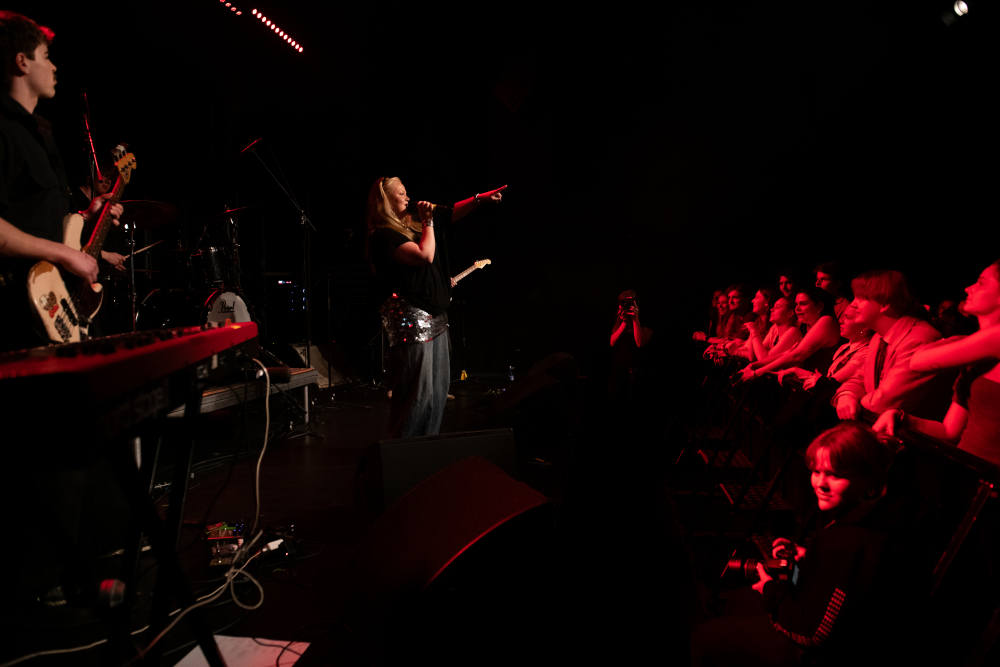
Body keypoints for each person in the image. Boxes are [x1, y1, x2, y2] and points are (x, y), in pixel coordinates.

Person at [0, 12, 123, 352]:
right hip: (14, 313)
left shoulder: (41, 132)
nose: (54, 67)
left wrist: (86, 215)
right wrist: (65, 255)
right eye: (46, 56)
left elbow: (36, 216)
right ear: (22, 62)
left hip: (52, 304)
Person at [366, 176, 505, 438]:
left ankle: (427, 446)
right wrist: (427, 221)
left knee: (438, 391)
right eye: (401, 194)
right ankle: (403, 450)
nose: (408, 197)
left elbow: (450, 213)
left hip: (437, 318)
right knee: (417, 393)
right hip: (413, 319)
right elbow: (425, 255)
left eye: (407, 192)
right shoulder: (382, 235)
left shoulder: (414, 226)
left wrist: (479, 199)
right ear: (385, 201)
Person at [874, 260, 1000, 465]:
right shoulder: (975, 359)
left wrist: (957, 339)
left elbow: (918, 361)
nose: (968, 288)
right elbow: (950, 431)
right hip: (964, 471)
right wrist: (900, 416)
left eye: (981, 282)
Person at [833, 270, 952, 421]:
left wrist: (857, 401)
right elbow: (860, 377)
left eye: (860, 298)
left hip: (909, 433)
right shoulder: (879, 337)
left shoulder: (920, 339)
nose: (853, 304)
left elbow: (884, 403)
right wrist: (847, 395)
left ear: (885, 304)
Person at [736, 286, 840, 383]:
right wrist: (753, 366)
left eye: (803, 304)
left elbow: (796, 356)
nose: (797, 308)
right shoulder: (807, 327)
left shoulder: (827, 321)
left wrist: (756, 373)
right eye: (796, 304)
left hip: (823, 386)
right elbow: (786, 354)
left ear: (820, 306)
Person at [775, 303, 873, 391]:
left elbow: (830, 382)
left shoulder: (864, 353)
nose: (841, 321)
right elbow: (823, 380)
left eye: (848, 317)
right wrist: (794, 370)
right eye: (843, 316)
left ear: (864, 327)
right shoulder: (845, 347)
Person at [608, 289, 653, 401]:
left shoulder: (645, 318)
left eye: (628, 302)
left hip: (637, 372)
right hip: (619, 371)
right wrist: (624, 322)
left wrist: (635, 319)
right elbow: (612, 342)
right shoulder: (620, 318)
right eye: (622, 302)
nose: (625, 305)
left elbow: (640, 343)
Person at [725, 287, 777, 358]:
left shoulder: (774, 325)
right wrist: (724, 349)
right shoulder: (758, 321)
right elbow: (747, 346)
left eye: (756, 298)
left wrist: (731, 352)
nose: (752, 301)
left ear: (767, 302)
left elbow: (755, 355)